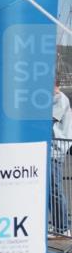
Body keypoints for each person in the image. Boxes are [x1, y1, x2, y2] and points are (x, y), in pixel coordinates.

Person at [51, 83, 72, 235]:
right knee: (51, 190)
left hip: (55, 150)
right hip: (52, 149)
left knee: (54, 189)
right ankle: (59, 226)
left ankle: (63, 228)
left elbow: (48, 120)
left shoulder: (59, 99)